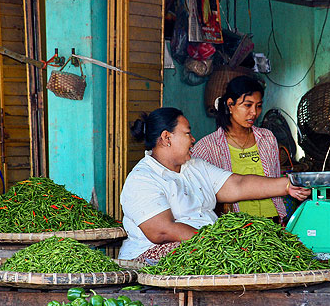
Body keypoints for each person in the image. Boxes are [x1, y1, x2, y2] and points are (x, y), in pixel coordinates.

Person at [118, 107, 310, 261]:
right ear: (167, 138)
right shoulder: (143, 178)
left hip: (203, 244)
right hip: (152, 255)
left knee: (265, 250)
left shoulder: (194, 166)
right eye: (187, 133)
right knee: (232, 259)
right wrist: (214, 241)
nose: (193, 139)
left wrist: (286, 186)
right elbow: (161, 230)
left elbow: (238, 184)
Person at [192, 76, 292, 221]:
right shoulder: (207, 147)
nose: (254, 112)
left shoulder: (267, 138)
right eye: (247, 105)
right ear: (230, 105)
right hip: (235, 225)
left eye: (258, 106)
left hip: (273, 219)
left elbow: (275, 179)